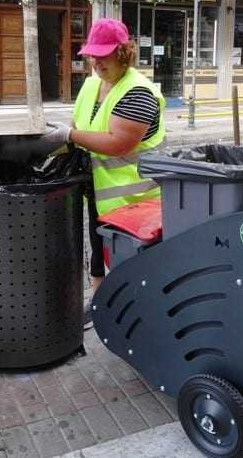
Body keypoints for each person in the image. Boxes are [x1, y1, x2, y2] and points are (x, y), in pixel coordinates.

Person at [44, 18, 166, 327]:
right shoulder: (90, 85)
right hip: (99, 190)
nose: (97, 62)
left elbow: (118, 144)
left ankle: (139, 314)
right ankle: (100, 303)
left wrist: (69, 137)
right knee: (97, 246)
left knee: (132, 260)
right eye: (93, 55)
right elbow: (79, 125)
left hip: (136, 198)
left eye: (105, 54)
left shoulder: (139, 92)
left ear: (124, 53)